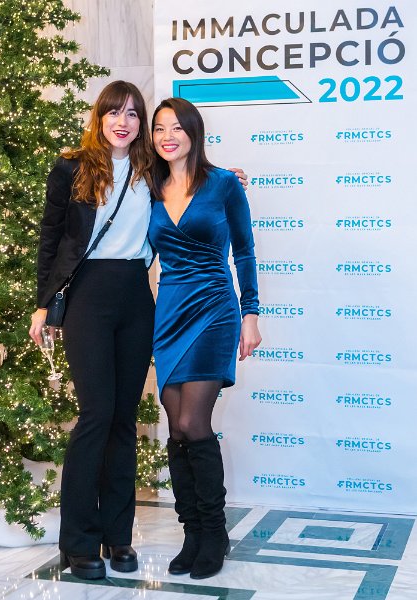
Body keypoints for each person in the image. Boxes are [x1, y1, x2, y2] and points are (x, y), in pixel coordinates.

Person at [29, 81, 248, 581]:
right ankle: (79, 542)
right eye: (114, 113)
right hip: (87, 294)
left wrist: (228, 178)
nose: (123, 122)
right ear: (99, 118)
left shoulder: (149, 168)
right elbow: (50, 237)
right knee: (95, 415)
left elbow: (192, 180)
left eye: (132, 114)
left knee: (125, 419)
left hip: (136, 295)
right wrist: (43, 304)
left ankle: (118, 535)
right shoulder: (71, 167)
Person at [148, 98, 261, 580]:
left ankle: (214, 533)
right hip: (169, 313)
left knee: (193, 422)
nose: (167, 136)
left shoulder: (223, 184)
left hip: (214, 309)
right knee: (175, 428)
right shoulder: (147, 187)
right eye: (159, 129)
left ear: (194, 131)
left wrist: (251, 314)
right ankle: (191, 532)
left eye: (177, 127)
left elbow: (245, 251)